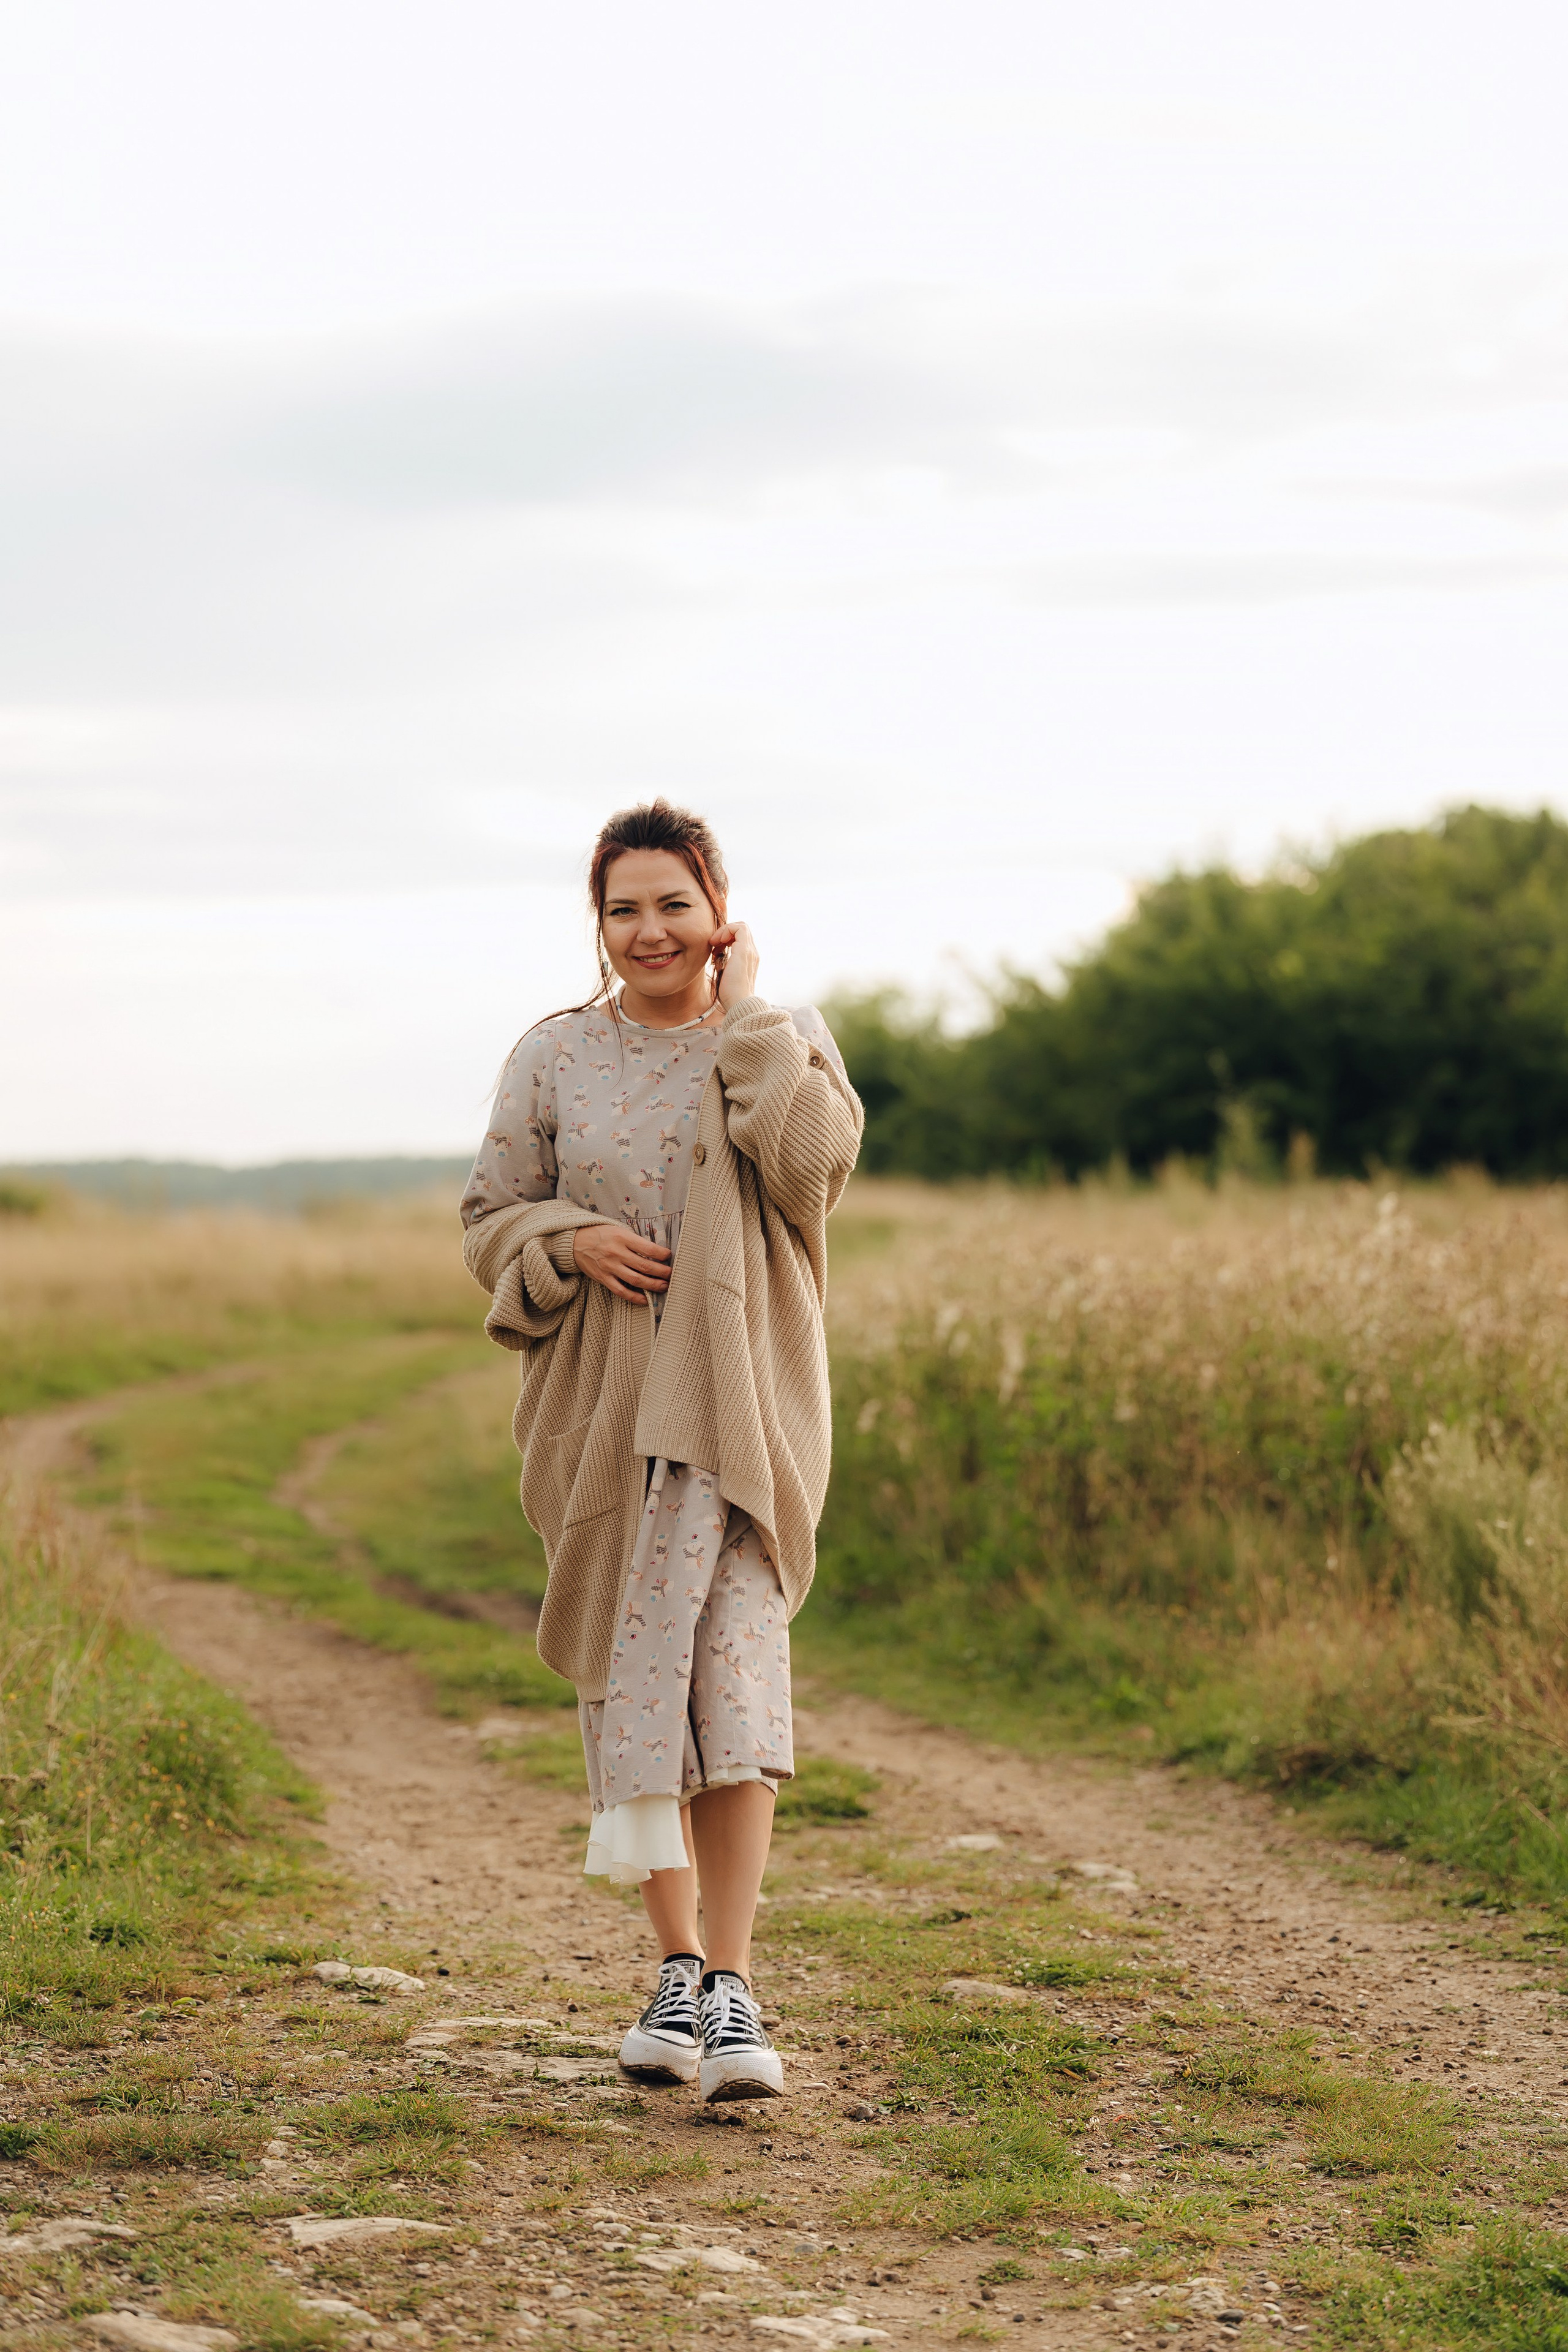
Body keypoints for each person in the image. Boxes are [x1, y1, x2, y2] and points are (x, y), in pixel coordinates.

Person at [460, 799, 862, 2102]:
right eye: (624, 909)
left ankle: (734, 1988)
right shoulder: (552, 1057)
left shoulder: (781, 1041)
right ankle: (675, 1969)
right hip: (605, 1421)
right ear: (601, 923)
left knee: (735, 1701)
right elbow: (488, 1213)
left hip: (738, 1416)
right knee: (638, 1698)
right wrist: (566, 1239)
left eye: (672, 905)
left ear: (716, 913)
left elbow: (810, 1172)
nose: (649, 931)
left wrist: (748, 1024)